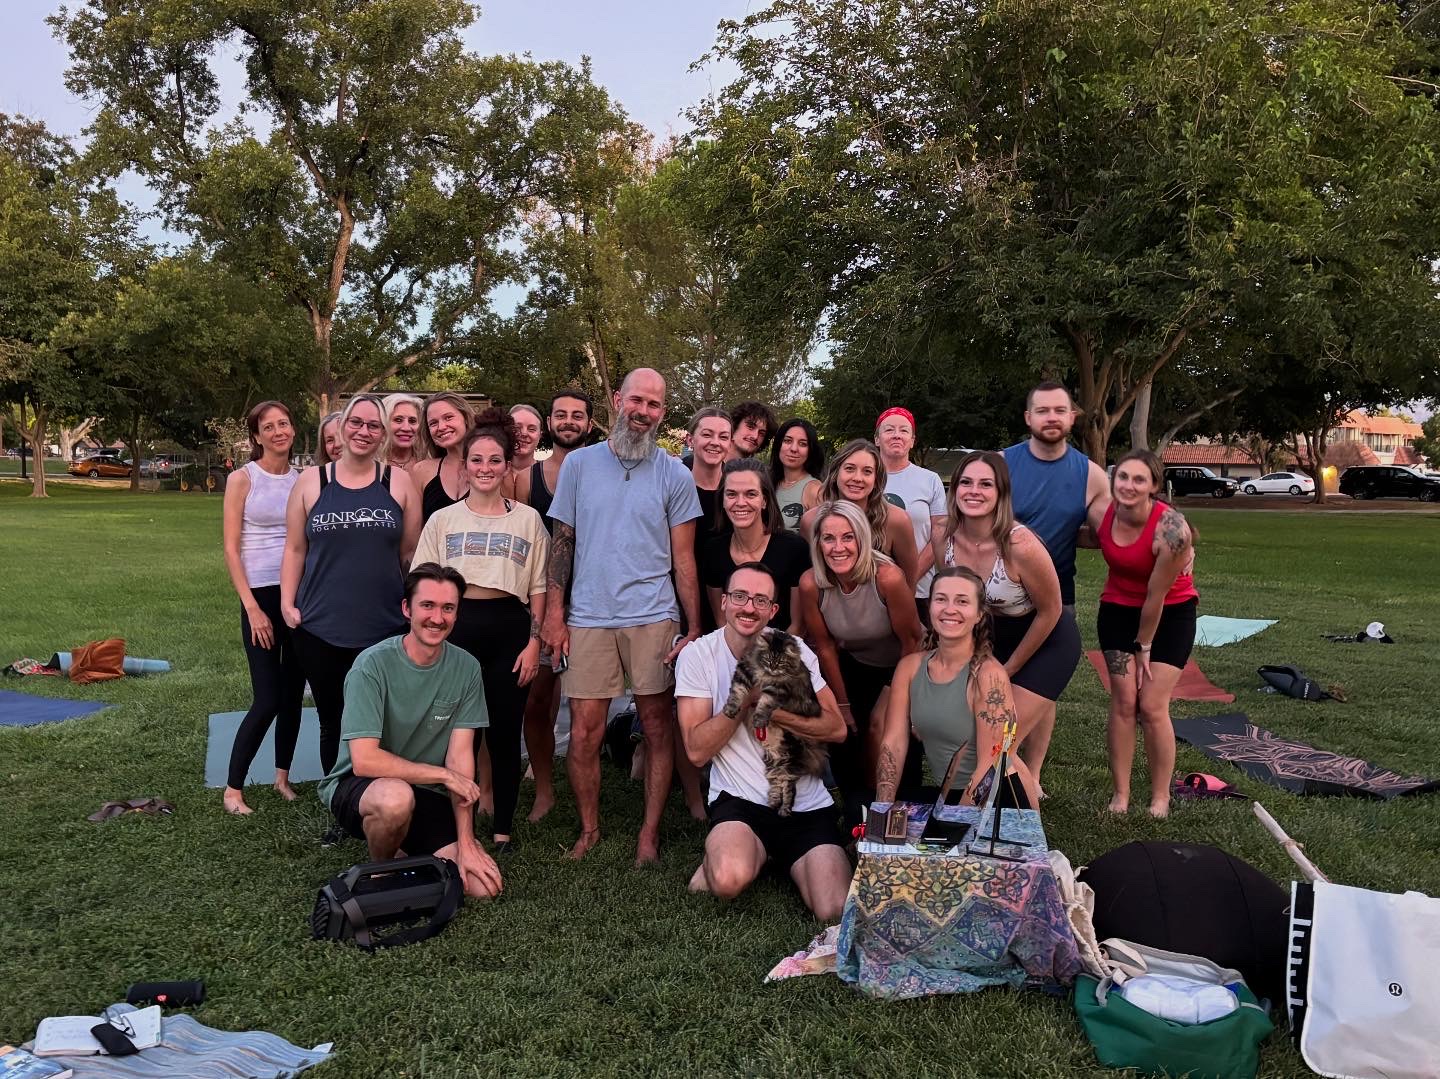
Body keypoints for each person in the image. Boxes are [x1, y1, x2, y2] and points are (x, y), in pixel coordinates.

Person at [543, 367, 703, 863]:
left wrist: (693, 625)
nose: (644, 412)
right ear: (617, 400)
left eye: (655, 405)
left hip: (653, 615)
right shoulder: (580, 465)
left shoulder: (675, 473)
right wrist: (554, 613)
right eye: (637, 400)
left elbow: (683, 558)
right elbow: (562, 541)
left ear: (662, 413)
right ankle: (589, 828)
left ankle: (648, 833)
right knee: (585, 730)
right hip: (589, 615)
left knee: (657, 726)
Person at [677, 563, 851, 920]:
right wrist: (742, 698)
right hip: (740, 803)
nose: (749, 607)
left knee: (833, 909)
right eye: (740, 596)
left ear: (773, 610)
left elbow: (836, 728)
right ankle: (738, 853)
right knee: (728, 880)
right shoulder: (698, 655)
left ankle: (770, 855)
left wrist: (771, 709)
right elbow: (696, 751)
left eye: (760, 600)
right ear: (724, 602)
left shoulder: (794, 649)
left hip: (805, 806)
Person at [317, 563, 502, 898]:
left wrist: (467, 841)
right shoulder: (371, 666)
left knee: (483, 887)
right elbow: (364, 760)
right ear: (407, 609)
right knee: (395, 799)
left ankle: (408, 850)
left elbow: (460, 759)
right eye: (427, 606)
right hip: (360, 787)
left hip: (425, 792)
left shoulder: (467, 668)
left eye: (448, 608)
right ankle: (381, 871)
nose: (437, 618)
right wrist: (443, 776)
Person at [413, 410, 549, 852]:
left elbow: (540, 587)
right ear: (465, 465)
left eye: (495, 460)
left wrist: (535, 643)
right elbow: (424, 584)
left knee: (505, 733)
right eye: (477, 460)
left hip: (510, 630)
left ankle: (503, 829)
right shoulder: (443, 521)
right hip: (457, 629)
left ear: (508, 466)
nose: (486, 468)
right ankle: (460, 825)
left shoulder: (527, 520)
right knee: (459, 737)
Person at [281, 393, 421, 776]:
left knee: (381, 721)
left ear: (384, 435)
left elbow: (410, 555)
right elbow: (294, 549)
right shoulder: (311, 482)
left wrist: (415, 612)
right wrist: (287, 604)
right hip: (321, 626)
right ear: (341, 430)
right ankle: (339, 805)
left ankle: (385, 799)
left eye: (373, 425)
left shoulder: (400, 483)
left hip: (384, 625)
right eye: (356, 423)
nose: (364, 431)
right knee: (333, 721)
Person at [934, 451, 1079, 795]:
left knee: (999, 744)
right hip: (992, 640)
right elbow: (956, 603)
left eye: (986, 484)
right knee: (978, 736)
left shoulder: (1021, 545)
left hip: (1046, 641)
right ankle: (971, 810)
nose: (973, 491)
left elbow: (1052, 610)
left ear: (1001, 493)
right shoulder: (943, 539)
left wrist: (1009, 669)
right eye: (965, 482)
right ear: (953, 490)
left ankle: (1026, 835)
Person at [1002, 381, 1110, 780]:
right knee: (997, 683)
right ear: (1028, 418)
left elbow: (1113, 530)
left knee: (1043, 688)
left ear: (1071, 417)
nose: (1051, 417)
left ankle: (1032, 772)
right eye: (1042, 410)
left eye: (1059, 410)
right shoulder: (1001, 464)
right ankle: (994, 759)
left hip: (1056, 597)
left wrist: (1179, 542)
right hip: (998, 598)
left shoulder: (1092, 475)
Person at [797, 499, 923, 829]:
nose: (838, 547)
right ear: (818, 543)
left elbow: (912, 642)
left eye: (848, 537)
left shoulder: (888, 578)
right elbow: (824, 646)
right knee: (844, 728)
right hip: (852, 662)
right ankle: (858, 809)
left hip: (901, 664)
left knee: (883, 728)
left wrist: (894, 695)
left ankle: (899, 805)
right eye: (828, 538)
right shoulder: (813, 584)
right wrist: (842, 704)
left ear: (862, 539)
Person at [875, 567, 1041, 809]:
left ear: (979, 615)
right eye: (941, 599)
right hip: (950, 795)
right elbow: (893, 743)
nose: (949, 609)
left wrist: (952, 826)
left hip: (996, 801)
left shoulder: (989, 675)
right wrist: (882, 809)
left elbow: (990, 765)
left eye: (962, 601)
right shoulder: (909, 668)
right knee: (860, 808)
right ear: (929, 606)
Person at [1093, 449, 1198, 819]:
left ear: (1154, 486)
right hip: (1118, 613)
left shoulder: (1171, 531)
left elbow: (1156, 597)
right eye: (1123, 477)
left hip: (1169, 616)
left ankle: (1160, 797)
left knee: (1152, 705)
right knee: (1123, 702)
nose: (1129, 485)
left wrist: (1144, 647)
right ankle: (1120, 795)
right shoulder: (1103, 512)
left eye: (1139, 479)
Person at [220, 400, 303, 815]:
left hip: (297, 596)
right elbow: (232, 551)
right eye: (268, 427)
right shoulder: (242, 479)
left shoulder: (304, 479)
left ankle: (282, 777)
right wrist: (251, 607)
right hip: (260, 598)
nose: (278, 432)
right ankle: (233, 788)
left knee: (292, 696)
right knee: (267, 697)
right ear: (256, 436)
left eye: (283, 424)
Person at [513, 389, 593, 823]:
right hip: (543, 598)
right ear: (549, 422)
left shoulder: (600, 469)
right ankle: (544, 787)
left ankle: (587, 779)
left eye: (576, 415)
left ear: (589, 423)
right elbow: (522, 541)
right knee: (537, 699)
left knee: (586, 702)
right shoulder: (529, 478)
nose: (568, 421)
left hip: (594, 600)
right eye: (560, 414)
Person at [700, 459, 810, 634]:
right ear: (722, 500)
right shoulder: (714, 551)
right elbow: (722, 624)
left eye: (750, 494)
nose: (740, 502)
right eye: (731, 494)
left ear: (764, 501)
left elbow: (798, 626)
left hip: (782, 653)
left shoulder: (794, 549)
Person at [800, 439, 920, 588]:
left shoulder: (896, 521)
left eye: (867, 471)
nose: (857, 478)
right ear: (836, 473)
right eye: (850, 469)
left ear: (876, 479)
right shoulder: (811, 520)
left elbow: (909, 582)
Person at [875, 406, 947, 619]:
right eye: (889, 430)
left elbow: (940, 533)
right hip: (870, 588)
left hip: (920, 589)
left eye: (904, 430)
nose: (897, 434)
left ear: (912, 440)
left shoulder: (930, 480)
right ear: (877, 439)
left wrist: (910, 577)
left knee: (918, 647)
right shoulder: (863, 479)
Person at [685, 407, 733, 633]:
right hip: (679, 602)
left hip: (729, 603)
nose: (715, 442)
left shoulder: (739, 489)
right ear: (690, 439)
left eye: (723, 437)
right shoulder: (672, 485)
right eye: (707, 434)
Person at [411, 393, 477, 524]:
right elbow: (414, 530)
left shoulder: (494, 467)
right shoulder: (421, 471)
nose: (441, 427)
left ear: (465, 418)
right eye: (433, 423)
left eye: (448, 417)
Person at [769, 417, 825, 532]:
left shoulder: (815, 490)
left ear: (810, 450)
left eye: (803, 444)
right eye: (788, 441)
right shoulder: (768, 483)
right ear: (779, 445)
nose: (794, 449)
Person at [382, 393, 427, 472]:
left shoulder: (429, 462)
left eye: (412, 421)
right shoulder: (370, 464)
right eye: (398, 420)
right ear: (383, 423)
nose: (406, 428)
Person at [508, 403, 543, 481]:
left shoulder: (548, 476)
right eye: (517, 428)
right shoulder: (494, 473)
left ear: (540, 435)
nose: (524, 433)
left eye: (531, 429)